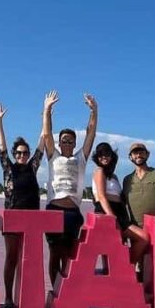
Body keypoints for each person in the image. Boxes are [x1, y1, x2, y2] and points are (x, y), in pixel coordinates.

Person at [0, 101, 44, 308]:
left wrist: (46, 114)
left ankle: (28, 298)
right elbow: (1, 147)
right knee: (12, 257)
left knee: (29, 258)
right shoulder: (8, 169)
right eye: (19, 153)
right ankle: (8, 297)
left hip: (32, 219)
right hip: (13, 217)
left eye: (25, 153)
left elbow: (43, 141)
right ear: (15, 154)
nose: (22, 155)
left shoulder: (33, 167)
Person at [42, 90, 98, 285]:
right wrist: (47, 109)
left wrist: (94, 111)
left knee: (69, 254)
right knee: (54, 253)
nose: (67, 143)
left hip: (73, 212)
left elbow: (91, 133)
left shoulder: (80, 159)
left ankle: (65, 291)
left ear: (75, 144)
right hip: (54, 210)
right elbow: (47, 134)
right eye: (64, 140)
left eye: (70, 141)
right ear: (59, 143)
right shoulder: (53, 157)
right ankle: (54, 289)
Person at [91, 142, 150, 265]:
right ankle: (126, 266)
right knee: (143, 237)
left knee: (117, 247)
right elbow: (101, 197)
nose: (104, 157)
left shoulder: (114, 177)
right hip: (107, 212)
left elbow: (121, 198)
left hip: (121, 213)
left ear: (111, 156)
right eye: (100, 155)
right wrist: (112, 217)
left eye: (106, 154)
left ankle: (122, 268)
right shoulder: (99, 172)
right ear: (97, 158)